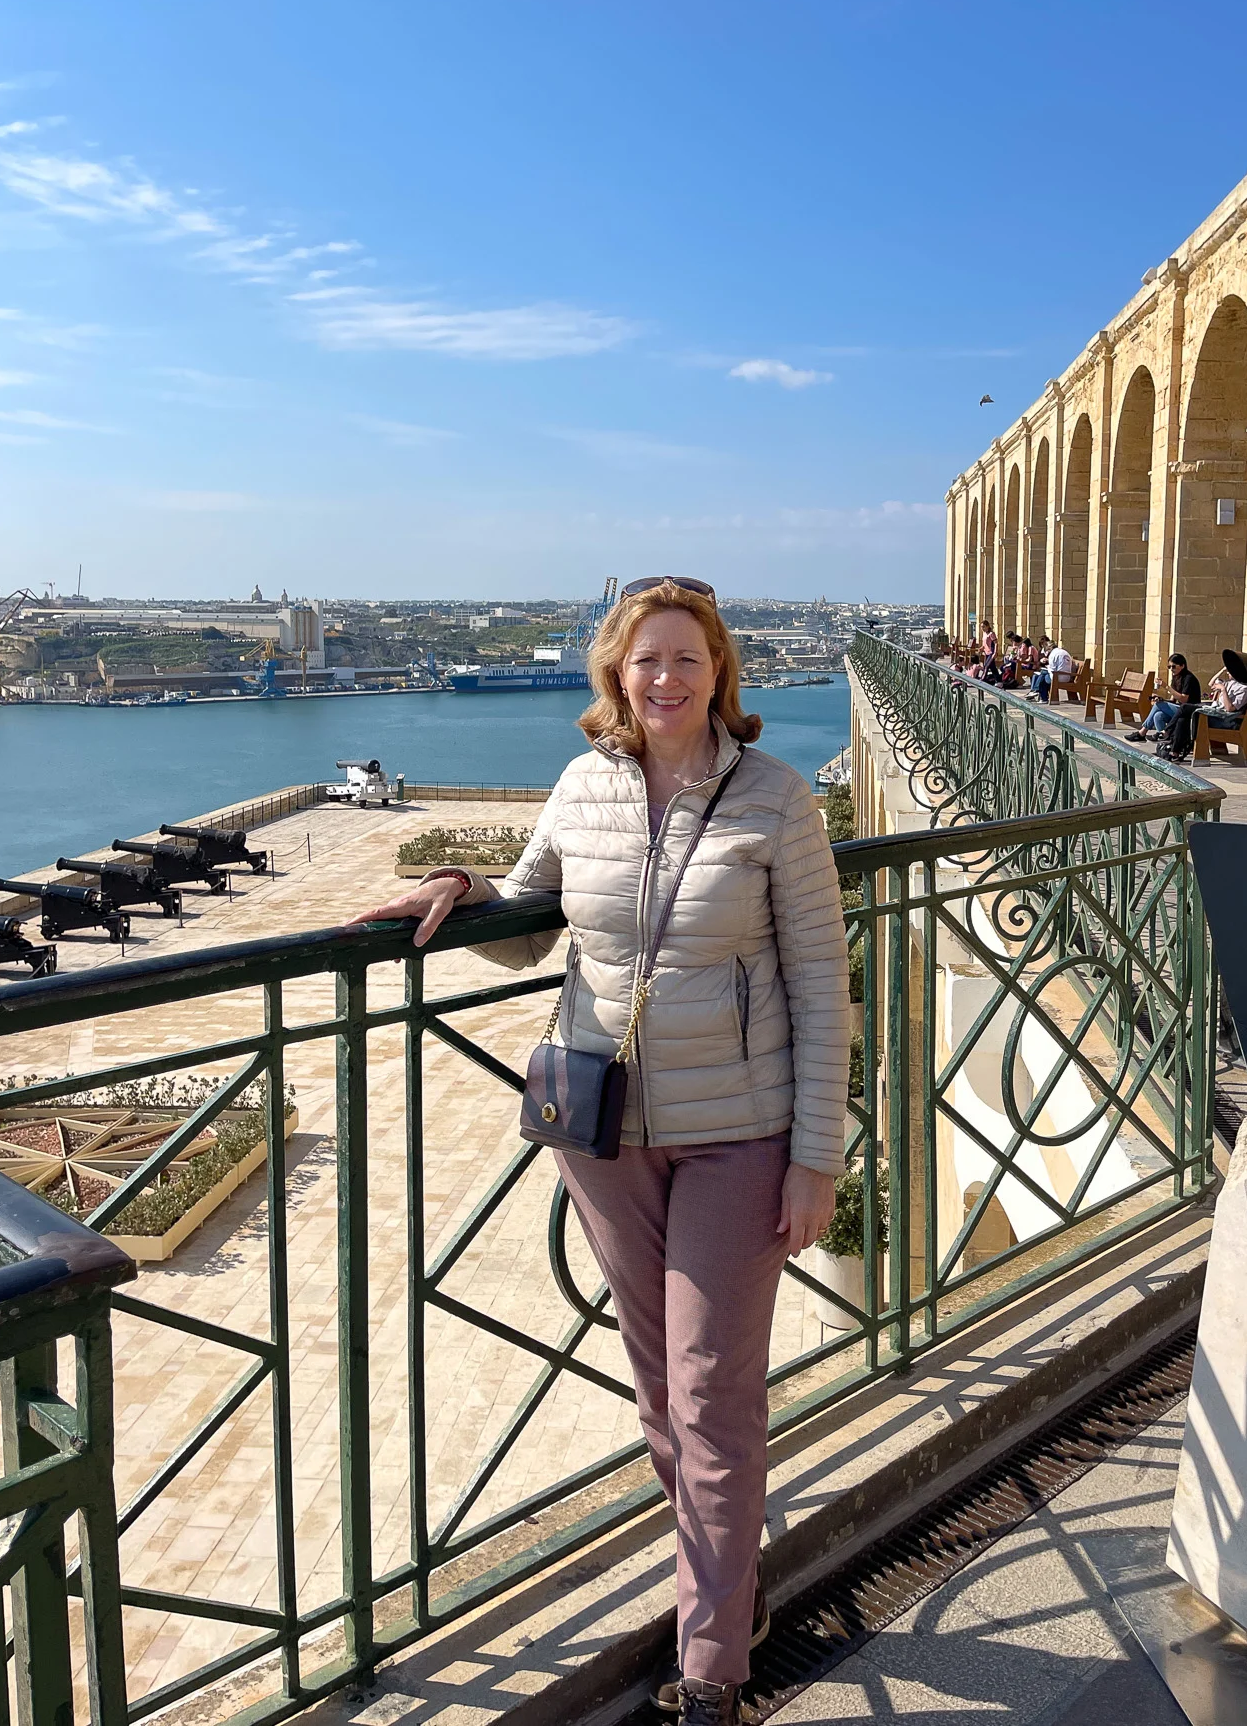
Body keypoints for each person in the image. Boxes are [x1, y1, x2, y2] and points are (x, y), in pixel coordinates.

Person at [352, 577, 849, 1726]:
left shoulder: (776, 799)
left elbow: (822, 986)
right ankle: (729, 1591)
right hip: (602, 1129)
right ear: (616, 674)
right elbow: (531, 912)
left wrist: (814, 1155)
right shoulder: (583, 784)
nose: (665, 678)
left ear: (718, 672)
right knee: (658, 1389)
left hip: (739, 1130)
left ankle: (712, 1663)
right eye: (645, 660)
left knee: (711, 1386)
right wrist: (457, 888)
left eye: (686, 658)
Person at [1127, 652, 1200, 749]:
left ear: (1182, 666)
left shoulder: (1188, 678)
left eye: (1173, 667)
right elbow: (1173, 700)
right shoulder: (1176, 678)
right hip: (1179, 709)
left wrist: (1166, 687)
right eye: (1169, 667)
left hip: (1189, 710)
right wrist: (1162, 699)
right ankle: (1164, 742)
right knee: (1158, 715)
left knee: (1158, 706)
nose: (1171, 669)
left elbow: (1184, 699)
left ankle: (1142, 732)